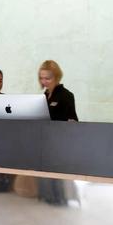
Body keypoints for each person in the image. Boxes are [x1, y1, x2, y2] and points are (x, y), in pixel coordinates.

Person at [37, 60, 78, 205]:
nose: (44, 81)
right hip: (45, 142)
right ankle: (48, 197)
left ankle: (60, 199)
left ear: (56, 77)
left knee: (57, 175)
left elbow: (73, 121)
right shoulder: (42, 97)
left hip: (60, 142)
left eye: (48, 78)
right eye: (42, 78)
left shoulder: (66, 95)